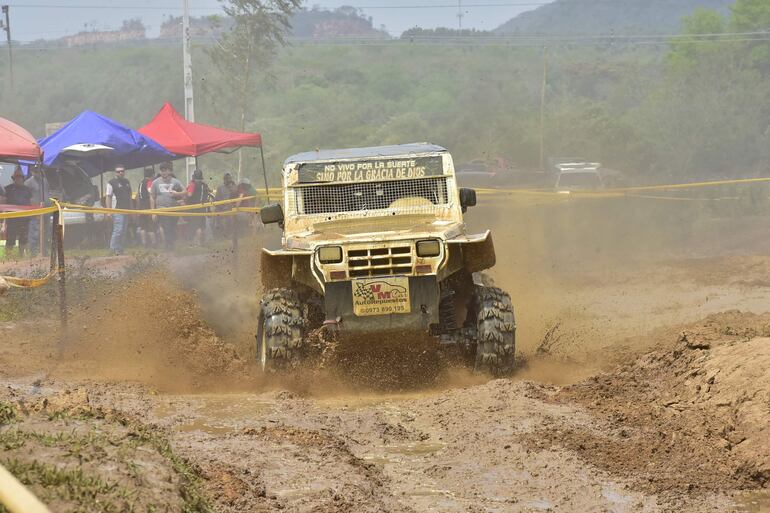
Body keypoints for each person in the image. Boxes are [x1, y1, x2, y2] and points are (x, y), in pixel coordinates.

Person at [150, 161, 185, 250]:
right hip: (161, 209)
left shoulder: (176, 181)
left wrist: (177, 194)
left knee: (172, 227)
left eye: (166, 170)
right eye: (162, 170)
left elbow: (185, 192)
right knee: (166, 226)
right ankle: (169, 246)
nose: (164, 172)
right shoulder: (155, 183)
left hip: (173, 209)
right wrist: (153, 212)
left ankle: (171, 244)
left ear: (170, 171)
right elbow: (152, 197)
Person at [3, 167, 32, 256]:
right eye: (16, 177)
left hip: (24, 218)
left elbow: (30, 202)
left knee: (23, 237)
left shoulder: (27, 189)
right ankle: (8, 256)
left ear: (23, 178)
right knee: (10, 238)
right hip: (12, 218)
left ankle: (21, 255)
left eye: (20, 176)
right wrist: (4, 220)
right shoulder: (8, 189)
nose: (18, 178)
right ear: (13, 178)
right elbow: (4, 204)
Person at [104, 165, 132, 255]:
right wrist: (109, 211)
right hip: (116, 209)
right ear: (115, 173)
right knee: (118, 230)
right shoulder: (111, 182)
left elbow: (130, 197)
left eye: (122, 171)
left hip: (126, 209)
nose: (121, 173)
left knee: (124, 231)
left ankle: (119, 250)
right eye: (118, 171)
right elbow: (108, 197)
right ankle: (112, 249)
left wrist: (132, 210)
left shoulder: (127, 182)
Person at [25, 165, 50, 257]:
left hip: (46, 210)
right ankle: (33, 253)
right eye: (34, 170)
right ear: (31, 171)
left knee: (46, 231)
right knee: (35, 232)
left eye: (38, 169)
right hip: (35, 211)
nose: (37, 171)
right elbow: (27, 198)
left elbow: (47, 192)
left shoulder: (44, 180)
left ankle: (44, 251)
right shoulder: (28, 183)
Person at [185, 169, 210, 246]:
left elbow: (189, 194)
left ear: (194, 176)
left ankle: (198, 243)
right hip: (203, 207)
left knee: (196, 226)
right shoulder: (205, 185)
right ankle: (204, 241)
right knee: (202, 225)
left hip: (194, 207)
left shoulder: (193, 184)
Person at [136, 166, 158, 247]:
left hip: (141, 206)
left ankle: (144, 243)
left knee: (142, 227)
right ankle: (154, 243)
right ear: (152, 175)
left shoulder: (141, 182)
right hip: (148, 206)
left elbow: (138, 196)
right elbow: (150, 193)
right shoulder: (149, 182)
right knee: (150, 226)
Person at [213, 173, 235, 239]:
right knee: (217, 215)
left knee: (230, 218)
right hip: (221, 208)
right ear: (224, 180)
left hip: (230, 208)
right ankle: (219, 235)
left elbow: (235, 199)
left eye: (230, 179)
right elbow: (216, 199)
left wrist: (232, 188)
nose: (228, 181)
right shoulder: (220, 188)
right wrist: (222, 207)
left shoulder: (233, 187)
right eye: (227, 179)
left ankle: (228, 234)